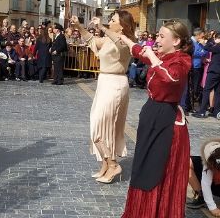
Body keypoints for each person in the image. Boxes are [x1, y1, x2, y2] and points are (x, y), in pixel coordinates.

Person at [120, 20, 191, 218]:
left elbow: (171, 77)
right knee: (143, 167)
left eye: (161, 36)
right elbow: (138, 50)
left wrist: (152, 55)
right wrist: (123, 37)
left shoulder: (181, 60)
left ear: (176, 41)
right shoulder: (162, 56)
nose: (156, 40)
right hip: (151, 115)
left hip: (167, 121)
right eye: (157, 35)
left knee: (157, 171)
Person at [71, 11, 134, 184]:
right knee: (98, 125)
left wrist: (102, 28)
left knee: (102, 125)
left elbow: (120, 45)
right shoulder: (107, 39)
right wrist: (78, 26)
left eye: (112, 20)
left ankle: (113, 164)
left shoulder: (125, 41)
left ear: (122, 25)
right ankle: (106, 164)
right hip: (104, 82)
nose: (109, 22)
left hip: (116, 84)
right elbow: (91, 40)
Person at [186, 138, 220, 217]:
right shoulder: (211, 158)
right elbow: (206, 183)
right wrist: (212, 208)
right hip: (212, 182)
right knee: (186, 162)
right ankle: (201, 196)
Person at [193, 33, 220, 118]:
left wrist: (211, 42)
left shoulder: (218, 46)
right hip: (218, 71)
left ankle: (202, 111)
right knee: (217, 92)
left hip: (214, 71)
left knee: (206, 90)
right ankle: (216, 112)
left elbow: (207, 48)